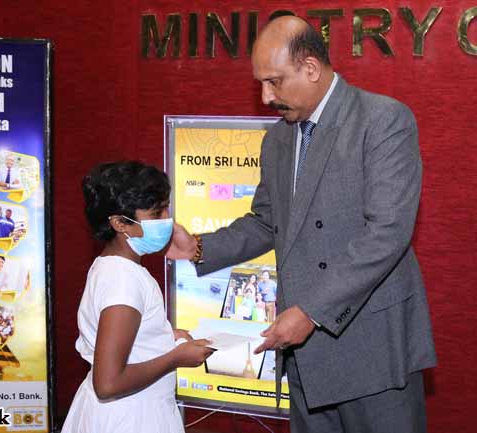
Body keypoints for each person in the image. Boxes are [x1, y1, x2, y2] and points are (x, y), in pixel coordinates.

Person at [167, 16, 436, 433]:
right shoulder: (278, 139)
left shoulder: (382, 120)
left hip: (373, 351)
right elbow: (267, 222)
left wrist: (311, 311)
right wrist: (200, 247)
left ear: (310, 68)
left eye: (274, 81)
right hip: (305, 354)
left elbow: (387, 234)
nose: (265, 95)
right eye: (261, 82)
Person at [61, 161, 214, 433]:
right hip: (130, 419)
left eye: (166, 208)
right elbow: (108, 384)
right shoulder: (125, 281)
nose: (167, 220)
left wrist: (162, 336)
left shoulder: (113, 266)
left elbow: (120, 337)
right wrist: (175, 358)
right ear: (121, 223)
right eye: (156, 214)